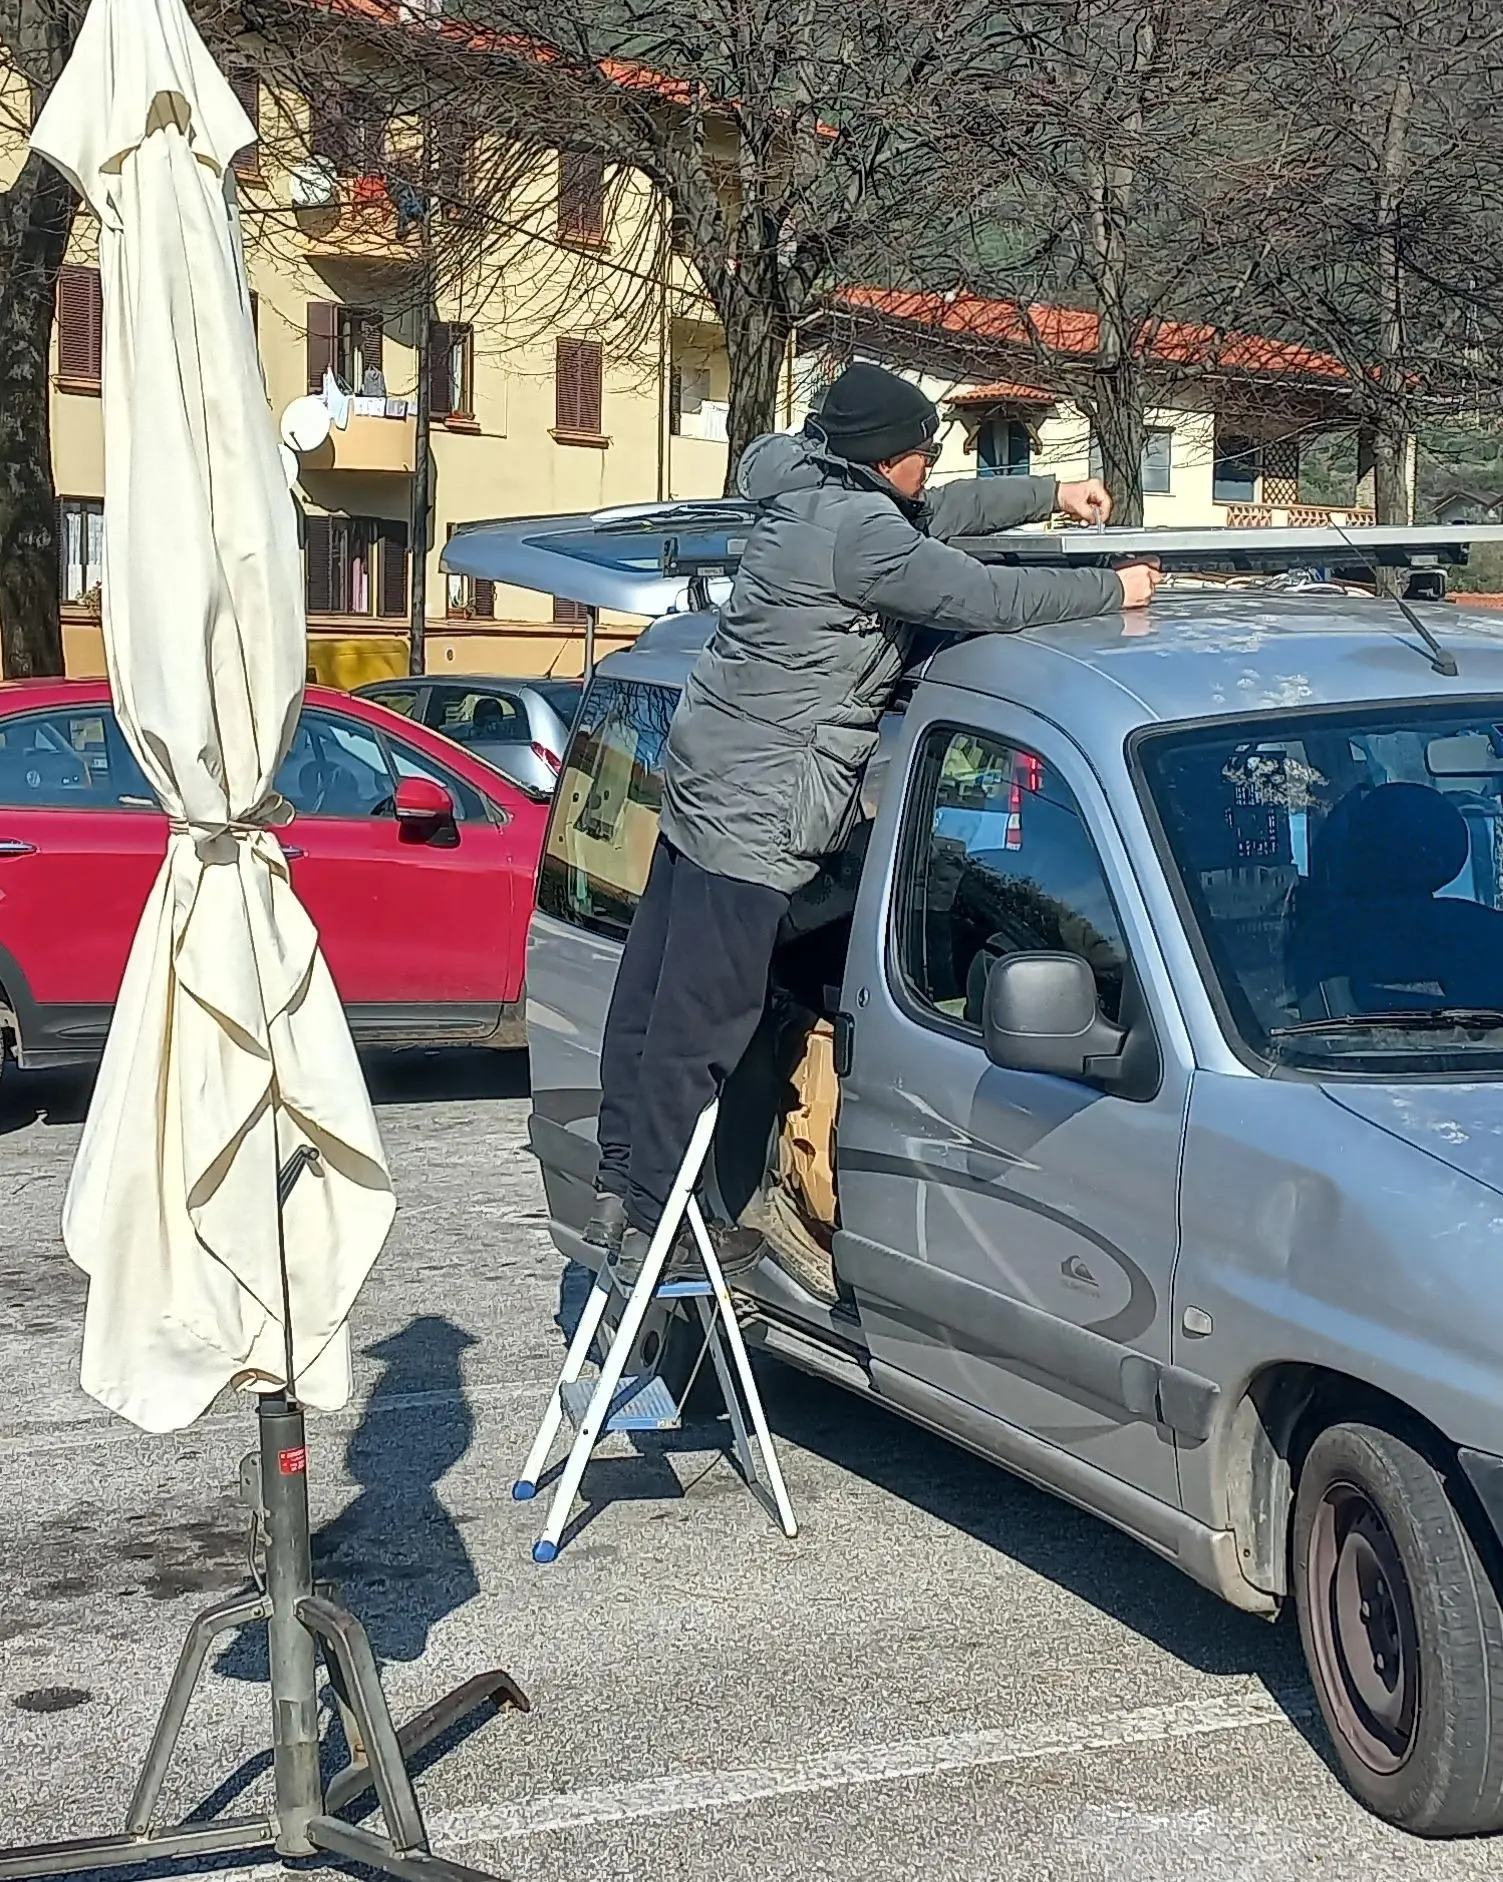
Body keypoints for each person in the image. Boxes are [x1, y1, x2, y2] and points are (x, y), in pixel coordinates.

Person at [588, 361, 1163, 1281]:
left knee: (654, 993)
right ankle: (662, 1224)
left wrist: (1052, 492)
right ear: (886, 462)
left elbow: (940, 518)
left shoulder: (809, 488)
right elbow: (984, 597)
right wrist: (1113, 592)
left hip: (707, 777)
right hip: (761, 802)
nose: (929, 476)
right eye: (921, 460)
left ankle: (622, 1180)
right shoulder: (859, 535)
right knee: (704, 1020)